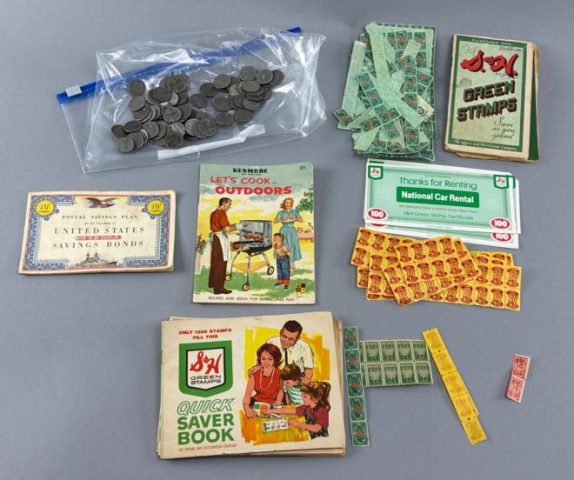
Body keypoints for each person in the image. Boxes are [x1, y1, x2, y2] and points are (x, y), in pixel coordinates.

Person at [264, 320, 314, 384]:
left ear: (297, 338)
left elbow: (308, 369)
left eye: (291, 339)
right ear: (281, 332)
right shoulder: (271, 342)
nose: (286, 341)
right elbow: (262, 362)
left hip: (295, 381)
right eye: (284, 336)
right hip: (274, 379)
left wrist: (306, 379)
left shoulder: (304, 347)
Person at [243, 343, 283, 418]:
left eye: (270, 359)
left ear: (275, 360)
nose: (266, 362)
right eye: (263, 359)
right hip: (256, 403)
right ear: (260, 359)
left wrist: (278, 403)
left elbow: (280, 391)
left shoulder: (279, 373)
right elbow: (247, 396)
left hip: (273, 404)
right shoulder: (255, 374)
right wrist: (246, 407)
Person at [209, 197, 237, 294]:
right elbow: (228, 229)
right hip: (219, 239)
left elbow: (223, 226)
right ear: (224, 203)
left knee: (215, 262)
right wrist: (237, 226)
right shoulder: (221, 213)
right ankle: (219, 288)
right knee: (221, 263)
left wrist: (232, 225)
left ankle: (212, 284)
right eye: (229, 204)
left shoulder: (214, 213)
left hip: (215, 238)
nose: (230, 207)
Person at [274, 197, 303, 265]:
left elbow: (301, 220)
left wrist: (294, 219)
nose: (288, 204)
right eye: (286, 202)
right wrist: (282, 219)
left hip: (292, 230)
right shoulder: (281, 212)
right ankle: (285, 261)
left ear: (292, 204)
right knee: (284, 245)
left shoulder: (294, 211)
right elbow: (275, 221)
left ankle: (291, 262)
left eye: (289, 203)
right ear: (284, 203)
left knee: (292, 245)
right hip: (283, 230)